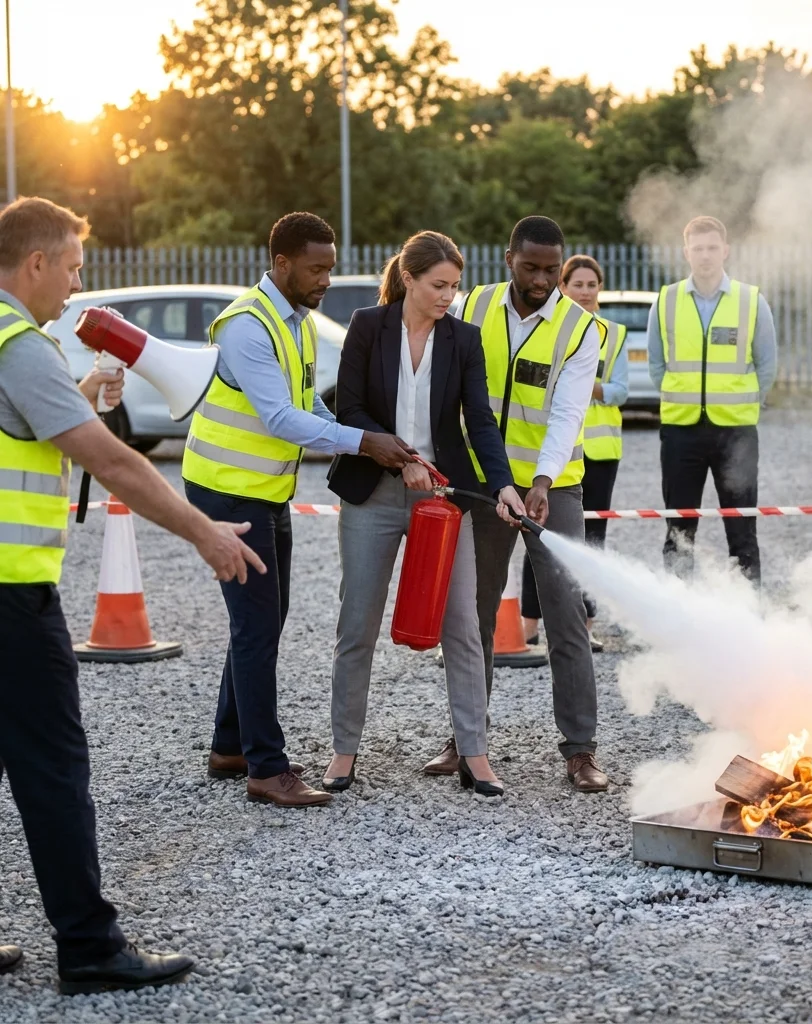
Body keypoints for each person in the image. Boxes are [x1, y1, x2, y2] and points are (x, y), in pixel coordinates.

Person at [0, 196, 264, 991]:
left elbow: (30, 429)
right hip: (12, 598)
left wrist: (79, 393)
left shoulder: (15, 343)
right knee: (53, 769)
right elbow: (112, 465)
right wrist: (203, 531)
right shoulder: (19, 344)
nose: (77, 286)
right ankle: (88, 947)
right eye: (74, 267)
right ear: (36, 262)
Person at [182, 212, 415, 808]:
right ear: (281, 263)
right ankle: (266, 767)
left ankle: (229, 746)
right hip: (228, 493)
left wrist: (362, 434)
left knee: (267, 617)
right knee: (257, 626)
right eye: (316, 269)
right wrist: (366, 443)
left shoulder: (299, 324)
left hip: (264, 490)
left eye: (330, 268)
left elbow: (306, 401)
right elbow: (280, 419)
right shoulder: (246, 326)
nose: (326, 280)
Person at [324, 232, 527, 797]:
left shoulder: (464, 339)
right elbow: (351, 406)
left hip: (443, 497)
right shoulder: (368, 326)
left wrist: (504, 486)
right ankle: (343, 753)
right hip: (372, 493)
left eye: (455, 287)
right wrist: (398, 456)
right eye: (439, 285)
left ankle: (475, 755)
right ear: (408, 279)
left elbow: (480, 422)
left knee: (462, 626)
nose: (449, 297)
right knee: (357, 622)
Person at [423, 216, 610, 793]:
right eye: (531, 268)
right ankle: (466, 740)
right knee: (473, 618)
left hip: (553, 489)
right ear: (509, 259)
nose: (543, 280)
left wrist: (543, 482)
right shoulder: (471, 306)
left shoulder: (580, 330)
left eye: (553, 270)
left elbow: (567, 414)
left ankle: (580, 751)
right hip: (481, 487)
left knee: (565, 620)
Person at [648, 215, 777, 584]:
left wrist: (744, 403)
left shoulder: (751, 301)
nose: (705, 255)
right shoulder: (666, 300)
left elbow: (767, 365)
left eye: (712, 248)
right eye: (698, 248)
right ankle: (677, 612)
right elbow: (657, 364)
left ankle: (747, 613)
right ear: (686, 252)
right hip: (681, 432)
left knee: (741, 530)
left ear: (726, 251)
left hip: (736, 433)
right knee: (679, 528)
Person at [520, 254, 629, 653]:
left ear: (599, 289)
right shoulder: (551, 329)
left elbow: (620, 390)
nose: (585, 291)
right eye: (577, 284)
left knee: (592, 542)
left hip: (599, 452)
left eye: (591, 285)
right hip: (550, 453)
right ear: (563, 287)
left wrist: (585, 386)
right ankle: (528, 627)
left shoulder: (612, 334)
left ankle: (584, 624)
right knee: (537, 540)